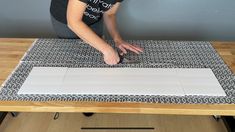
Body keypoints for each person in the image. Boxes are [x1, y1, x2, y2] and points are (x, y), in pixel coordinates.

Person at [50, 0, 143, 65]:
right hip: (66, 19)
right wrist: (107, 49)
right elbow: (73, 22)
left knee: (97, 55)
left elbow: (110, 13)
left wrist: (117, 39)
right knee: (73, 58)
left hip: (93, 18)